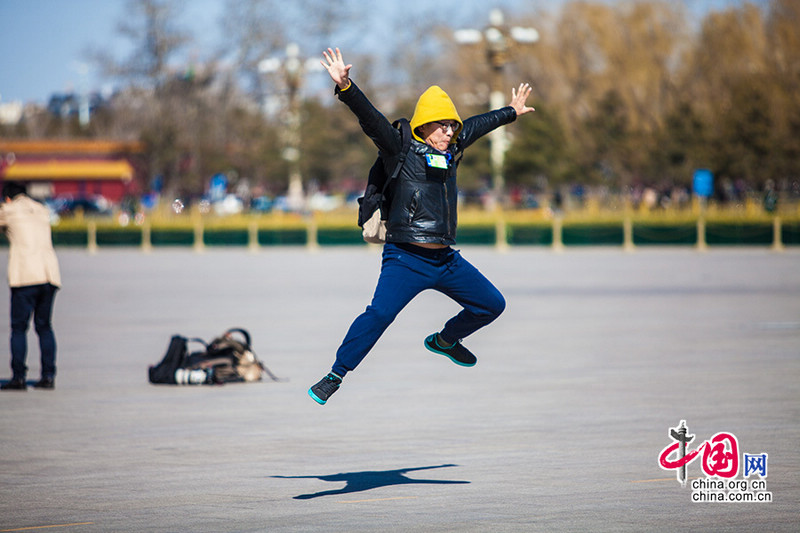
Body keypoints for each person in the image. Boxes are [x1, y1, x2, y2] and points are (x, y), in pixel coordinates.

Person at [308, 48, 535, 405]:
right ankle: (336, 374)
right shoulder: (400, 148)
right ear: (425, 125)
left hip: (445, 259)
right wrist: (347, 86)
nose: (450, 131)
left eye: (452, 126)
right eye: (443, 125)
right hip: (405, 259)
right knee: (380, 313)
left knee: (492, 305)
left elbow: (476, 124)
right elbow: (371, 118)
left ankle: (445, 340)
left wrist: (511, 113)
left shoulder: (451, 149)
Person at [0, 182, 61, 391]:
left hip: (25, 276)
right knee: (44, 327)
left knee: (19, 328)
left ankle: (18, 377)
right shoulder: (42, 209)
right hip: (49, 275)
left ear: (7, 197)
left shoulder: (8, 210)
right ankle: (48, 375)